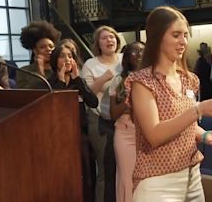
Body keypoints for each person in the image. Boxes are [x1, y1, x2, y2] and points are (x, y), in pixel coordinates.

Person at [124, 6, 212, 202]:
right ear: (157, 37)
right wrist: (198, 110)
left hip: (192, 176)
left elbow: (186, 125)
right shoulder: (142, 81)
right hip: (157, 182)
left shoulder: (190, 79)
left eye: (186, 35)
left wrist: (203, 135)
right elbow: (154, 134)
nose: (183, 42)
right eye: (176, 35)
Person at [48, 42, 98, 202]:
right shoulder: (49, 83)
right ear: (55, 60)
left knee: (86, 176)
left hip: (80, 136)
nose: (67, 60)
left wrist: (77, 79)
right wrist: (62, 82)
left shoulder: (78, 82)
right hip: (58, 139)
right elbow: (55, 108)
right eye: (63, 56)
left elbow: (93, 102)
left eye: (70, 56)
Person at [81, 25, 123, 202]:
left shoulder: (124, 59)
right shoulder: (90, 64)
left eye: (112, 37)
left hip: (125, 120)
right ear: (98, 43)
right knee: (106, 169)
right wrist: (105, 77)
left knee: (125, 167)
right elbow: (87, 94)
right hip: (100, 120)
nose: (109, 40)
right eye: (104, 37)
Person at [109, 41, 144, 202]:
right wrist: (129, 99)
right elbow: (113, 113)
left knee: (145, 178)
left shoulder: (155, 77)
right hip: (125, 133)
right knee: (126, 178)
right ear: (127, 58)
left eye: (143, 51)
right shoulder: (119, 80)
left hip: (147, 133)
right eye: (134, 52)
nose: (139, 55)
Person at [16, 21, 61, 89]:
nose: (48, 49)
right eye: (42, 47)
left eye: (51, 46)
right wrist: (40, 71)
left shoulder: (59, 70)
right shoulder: (24, 72)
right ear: (35, 51)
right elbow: (26, 94)